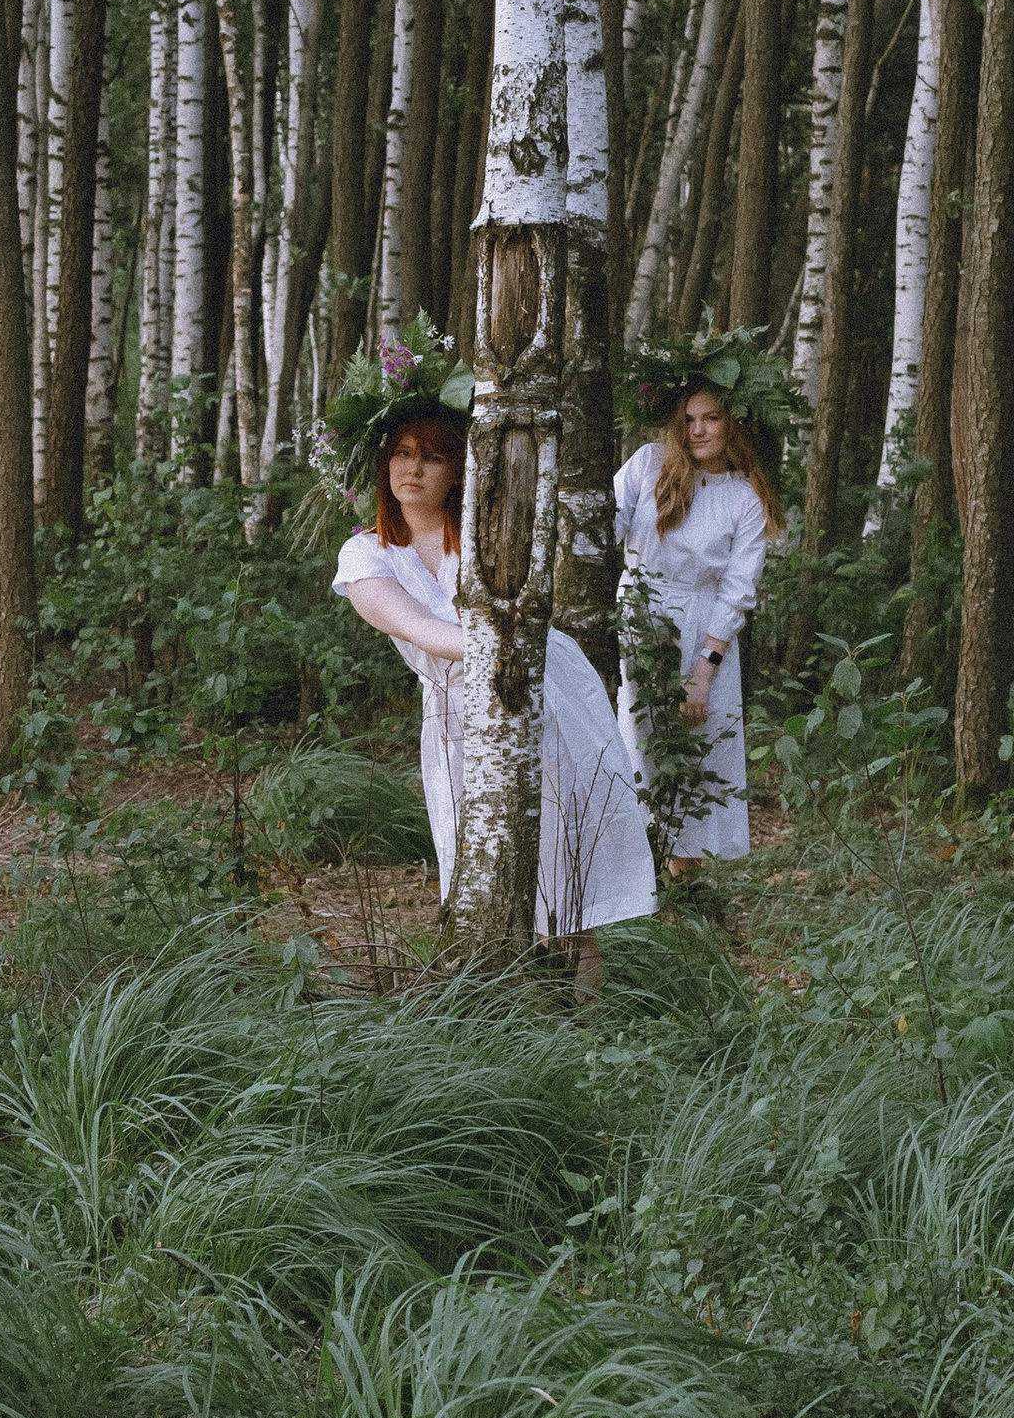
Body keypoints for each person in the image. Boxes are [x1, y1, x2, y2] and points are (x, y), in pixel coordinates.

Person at [324, 338, 657, 961]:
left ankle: (587, 1031)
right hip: (461, 712)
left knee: (567, 880)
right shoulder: (367, 554)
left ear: (458, 470)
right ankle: (503, 1019)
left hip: (546, 687)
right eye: (401, 454)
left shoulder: (488, 535)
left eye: (432, 457)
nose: (412, 469)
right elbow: (418, 628)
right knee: (488, 880)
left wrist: (513, 653)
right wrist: (492, 650)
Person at [613, 362, 790, 867]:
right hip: (639, 614)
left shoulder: (744, 495)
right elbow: (608, 520)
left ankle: (683, 889)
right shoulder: (649, 464)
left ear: (733, 422)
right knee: (637, 744)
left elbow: (738, 590)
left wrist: (702, 674)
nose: (698, 430)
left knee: (696, 749)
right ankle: (632, 876)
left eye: (711, 418)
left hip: (704, 628)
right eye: (689, 419)